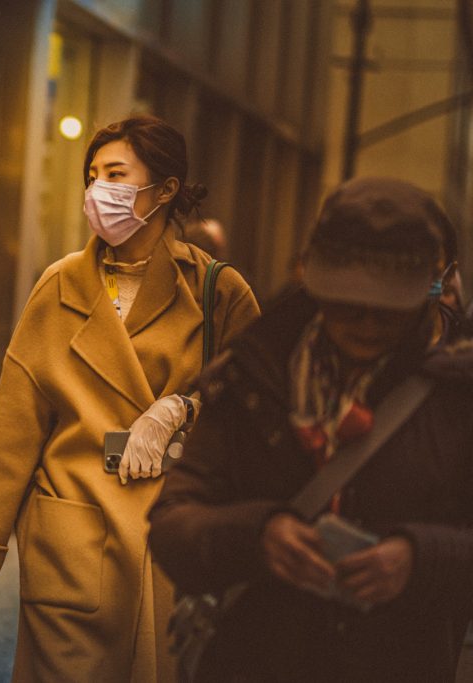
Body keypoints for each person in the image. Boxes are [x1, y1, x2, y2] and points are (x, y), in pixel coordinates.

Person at [0, 114, 260, 681]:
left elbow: (257, 412)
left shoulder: (219, 292)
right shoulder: (59, 286)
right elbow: (15, 428)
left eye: (115, 174)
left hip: (175, 537)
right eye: (92, 176)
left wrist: (180, 408)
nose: (98, 191)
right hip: (72, 539)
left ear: (165, 189)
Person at [148, 177, 473, 682]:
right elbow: (173, 525)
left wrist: (421, 559)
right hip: (255, 662)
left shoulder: (459, 391)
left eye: (387, 309)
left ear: (431, 292)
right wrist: (259, 534)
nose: (365, 324)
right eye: (346, 304)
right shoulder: (253, 375)